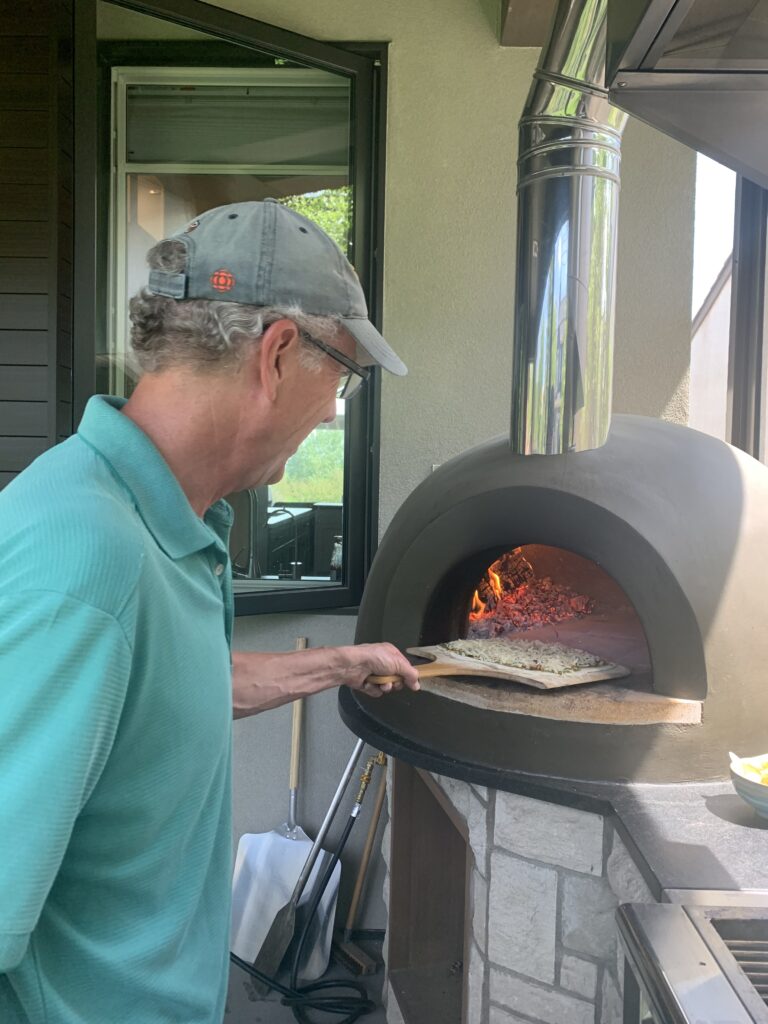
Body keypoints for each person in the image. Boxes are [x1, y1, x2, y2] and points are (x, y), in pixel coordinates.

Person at [0, 199, 420, 1024]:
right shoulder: (89, 559)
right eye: (341, 376)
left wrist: (340, 662)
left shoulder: (164, 520)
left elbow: (160, 693)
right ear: (278, 354)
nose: (334, 410)